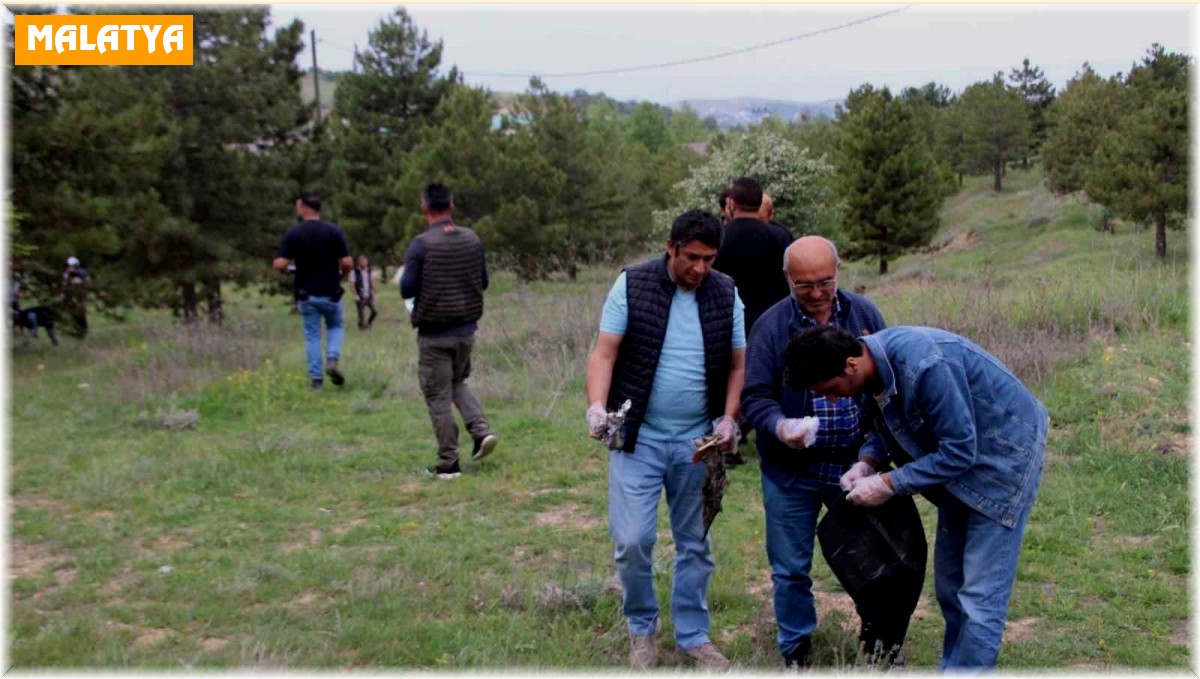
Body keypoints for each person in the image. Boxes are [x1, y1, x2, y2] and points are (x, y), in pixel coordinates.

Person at [783, 324, 1049, 670]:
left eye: (832, 390)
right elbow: (887, 426)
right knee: (950, 588)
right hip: (959, 463)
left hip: (1003, 457)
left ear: (850, 365)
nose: (833, 399)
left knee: (979, 601)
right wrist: (867, 462)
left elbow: (959, 452)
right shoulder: (868, 374)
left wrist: (888, 484)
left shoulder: (925, 366)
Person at [584, 209, 745, 671]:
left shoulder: (726, 293)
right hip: (639, 438)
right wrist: (597, 407)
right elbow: (604, 353)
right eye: (691, 257)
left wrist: (729, 419)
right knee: (633, 540)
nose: (699, 268)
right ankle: (642, 627)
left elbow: (738, 365)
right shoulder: (631, 285)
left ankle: (694, 634)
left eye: (708, 259)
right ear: (670, 247)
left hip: (698, 442)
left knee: (695, 542)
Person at [740, 236, 889, 669]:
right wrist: (779, 425)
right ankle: (796, 650)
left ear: (838, 271)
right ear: (787, 278)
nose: (818, 292)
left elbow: (884, 384)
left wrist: (872, 456)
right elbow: (755, 395)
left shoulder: (865, 314)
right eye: (805, 285)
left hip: (855, 465)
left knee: (873, 562)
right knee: (789, 568)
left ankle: (878, 642)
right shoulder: (770, 326)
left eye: (825, 281)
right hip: (793, 471)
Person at [400, 182, 498, 480]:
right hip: (466, 329)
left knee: (437, 396)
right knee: (457, 382)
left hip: (434, 333)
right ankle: (481, 432)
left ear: (424, 207)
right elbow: (483, 281)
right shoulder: (471, 239)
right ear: (451, 206)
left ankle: (449, 463)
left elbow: (406, 287)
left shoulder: (421, 244)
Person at [273, 192, 352, 390]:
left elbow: (280, 263)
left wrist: (285, 269)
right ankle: (332, 359)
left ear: (304, 208)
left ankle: (316, 381)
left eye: (297, 205)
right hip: (331, 292)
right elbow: (347, 261)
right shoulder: (333, 231)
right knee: (335, 326)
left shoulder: (294, 233)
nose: (296, 209)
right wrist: (343, 274)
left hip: (306, 294)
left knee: (312, 336)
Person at [60, 256, 89, 338]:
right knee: (73, 316)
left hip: (78, 300)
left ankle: (83, 332)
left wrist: (74, 273)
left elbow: (84, 275)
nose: (68, 268)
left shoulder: (80, 274)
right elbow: (64, 287)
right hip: (69, 299)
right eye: (67, 266)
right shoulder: (66, 275)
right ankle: (76, 333)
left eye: (69, 266)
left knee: (80, 316)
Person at [351, 255, 378, 330]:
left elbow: (373, 282)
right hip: (360, 296)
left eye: (365, 262)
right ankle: (362, 328)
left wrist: (375, 293)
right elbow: (352, 285)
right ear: (359, 263)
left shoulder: (370, 271)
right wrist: (355, 295)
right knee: (361, 314)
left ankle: (369, 323)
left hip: (369, 295)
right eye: (362, 262)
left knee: (374, 311)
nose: (364, 263)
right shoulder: (354, 272)